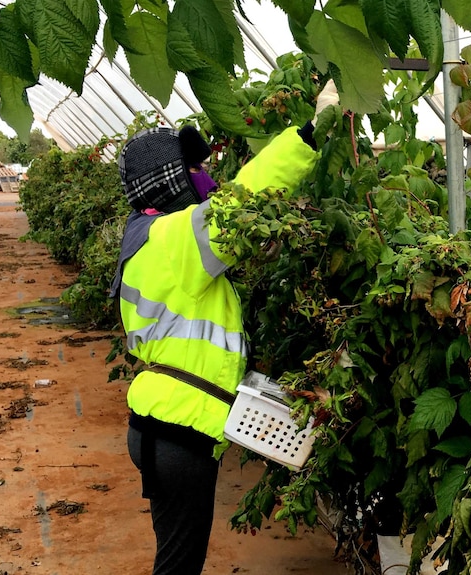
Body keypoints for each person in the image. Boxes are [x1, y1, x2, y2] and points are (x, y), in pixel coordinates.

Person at [109, 80, 339, 575]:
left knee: (176, 554)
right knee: (178, 564)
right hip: (178, 432)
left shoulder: (146, 237)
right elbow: (243, 201)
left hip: (162, 425)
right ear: (169, 180)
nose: (206, 177)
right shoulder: (171, 238)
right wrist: (310, 133)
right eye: (194, 169)